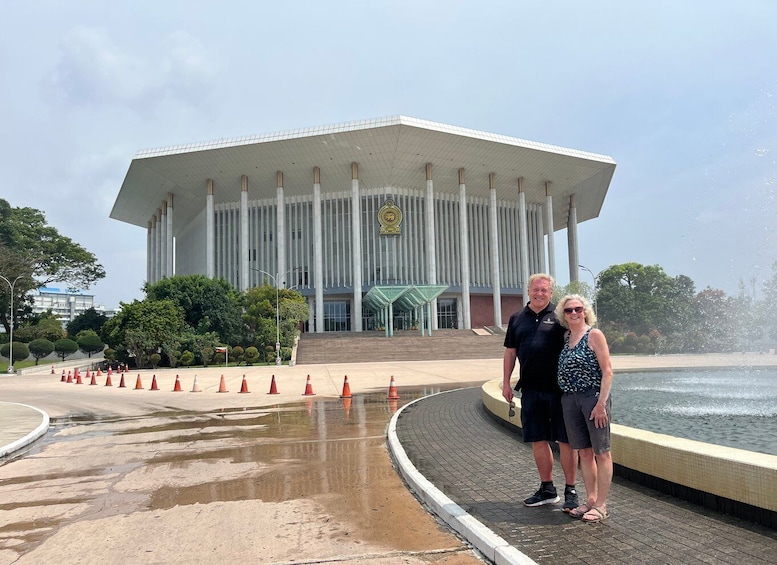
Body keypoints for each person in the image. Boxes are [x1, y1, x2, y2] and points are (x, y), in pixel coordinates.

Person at [503, 273, 579, 511]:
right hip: (531, 390)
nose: (539, 294)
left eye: (544, 290)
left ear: (551, 293)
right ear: (528, 290)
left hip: (560, 391)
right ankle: (547, 489)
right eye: (536, 289)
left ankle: (571, 490)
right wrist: (506, 382)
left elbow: (578, 341)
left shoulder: (561, 316)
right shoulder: (517, 318)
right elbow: (510, 353)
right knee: (538, 439)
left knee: (565, 440)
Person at [555, 294, 613, 523]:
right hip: (570, 400)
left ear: (585, 311)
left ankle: (601, 505)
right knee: (584, 452)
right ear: (563, 314)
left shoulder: (594, 335)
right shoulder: (567, 336)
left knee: (602, 452)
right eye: (568, 310)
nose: (574, 313)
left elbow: (607, 371)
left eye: (578, 309)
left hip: (593, 398)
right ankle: (590, 499)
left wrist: (601, 405)